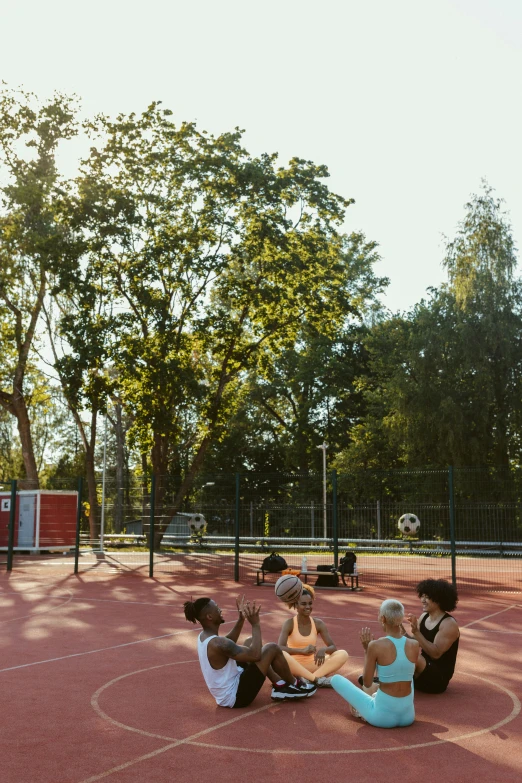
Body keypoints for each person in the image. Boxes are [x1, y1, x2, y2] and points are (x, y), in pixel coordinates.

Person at [183, 595, 317, 708]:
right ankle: (295, 684)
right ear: (209, 617)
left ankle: (280, 685)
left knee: (249, 641)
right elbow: (256, 655)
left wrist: (241, 619)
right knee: (271, 648)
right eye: (217, 608)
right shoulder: (218, 643)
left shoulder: (205, 637)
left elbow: (229, 642)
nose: (220, 610)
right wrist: (255, 624)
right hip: (236, 697)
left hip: (226, 692)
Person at [331, 599, 419, 727]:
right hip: (408, 716)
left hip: (382, 718)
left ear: (383, 619)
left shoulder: (375, 645)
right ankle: (377, 695)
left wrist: (367, 651)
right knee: (406, 674)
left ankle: (369, 704)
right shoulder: (414, 644)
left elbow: (367, 682)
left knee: (336, 679)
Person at [278, 585, 349, 687]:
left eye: (310, 603)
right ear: (296, 605)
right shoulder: (289, 623)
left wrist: (324, 650)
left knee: (343, 654)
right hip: (294, 666)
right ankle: (317, 679)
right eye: (303, 604)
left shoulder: (318, 623)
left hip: (313, 665)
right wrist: (301, 651)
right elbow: (280, 648)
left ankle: (310, 679)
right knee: (281, 655)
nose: (308, 607)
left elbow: (333, 648)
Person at [404, 578, 460, 694]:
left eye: (427, 597)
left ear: (439, 600)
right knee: (395, 648)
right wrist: (400, 631)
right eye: (422, 596)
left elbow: (435, 654)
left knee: (412, 656)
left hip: (438, 679)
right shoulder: (424, 616)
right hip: (422, 672)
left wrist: (416, 632)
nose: (423, 600)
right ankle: (385, 682)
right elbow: (415, 642)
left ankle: (394, 688)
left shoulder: (449, 624)